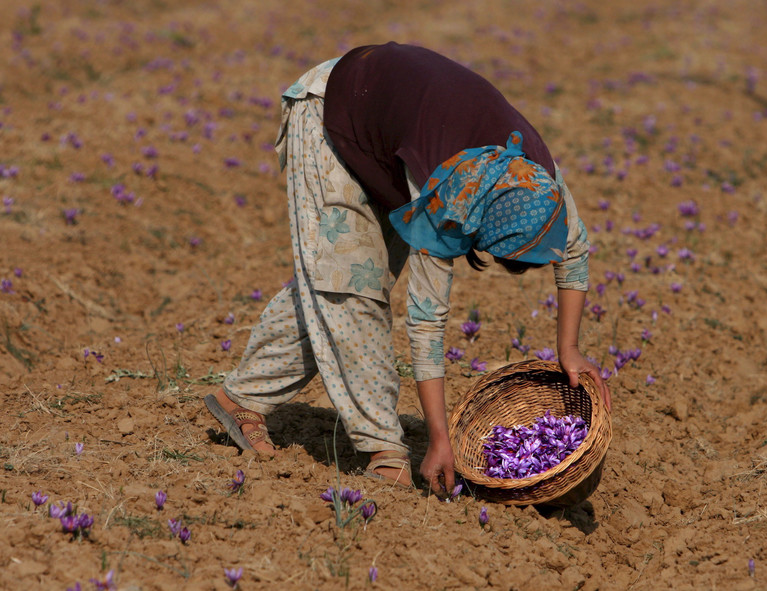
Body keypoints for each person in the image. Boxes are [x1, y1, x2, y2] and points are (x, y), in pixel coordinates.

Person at [204, 42, 610, 495]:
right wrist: (438, 439)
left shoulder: (538, 179)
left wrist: (569, 348)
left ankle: (241, 398)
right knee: (351, 286)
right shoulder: (450, 204)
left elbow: (574, 251)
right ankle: (384, 450)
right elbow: (427, 325)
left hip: (396, 138)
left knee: (332, 281)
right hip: (332, 114)